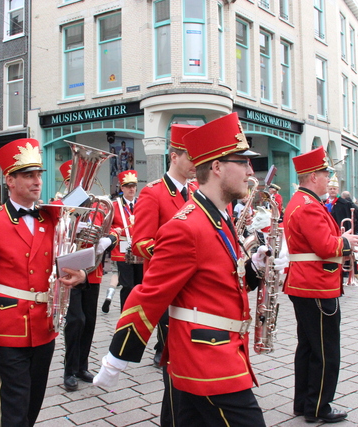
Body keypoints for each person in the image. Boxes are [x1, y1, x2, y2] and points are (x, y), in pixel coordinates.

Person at [94, 113, 266, 427]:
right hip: (209, 360)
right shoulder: (188, 225)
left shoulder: (218, 214)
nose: (250, 170)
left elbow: (222, 274)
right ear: (216, 167)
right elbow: (150, 293)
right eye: (242, 161)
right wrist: (117, 357)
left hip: (219, 352)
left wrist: (257, 265)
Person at [0, 138, 87, 426]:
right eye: (28, 175)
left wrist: (79, 274)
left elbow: (66, 259)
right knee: (15, 407)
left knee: (33, 404)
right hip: (8, 327)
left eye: (39, 175)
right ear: (10, 180)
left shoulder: (51, 218)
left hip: (44, 327)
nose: (36, 182)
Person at [282, 146, 358, 423]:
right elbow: (326, 247)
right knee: (326, 351)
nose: (329, 179)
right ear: (313, 176)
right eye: (326, 174)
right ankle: (318, 408)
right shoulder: (309, 206)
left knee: (308, 347)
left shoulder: (301, 202)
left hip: (305, 284)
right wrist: (347, 242)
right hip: (315, 285)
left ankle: (304, 403)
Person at [132, 124, 199, 370]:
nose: (196, 163)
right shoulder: (153, 193)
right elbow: (140, 243)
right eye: (191, 157)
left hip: (194, 283)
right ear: (174, 156)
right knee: (173, 354)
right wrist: (173, 252)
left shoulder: (196, 192)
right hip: (166, 280)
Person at [60, 160, 115, 392]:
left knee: (90, 322)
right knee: (76, 320)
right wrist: (72, 228)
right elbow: (56, 230)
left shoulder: (99, 206)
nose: (81, 185)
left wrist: (109, 239)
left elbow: (114, 228)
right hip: (71, 270)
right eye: (75, 181)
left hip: (93, 272)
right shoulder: (63, 205)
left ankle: (81, 366)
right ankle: (69, 370)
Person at [108, 170, 143, 310]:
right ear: (122, 188)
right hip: (122, 249)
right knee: (127, 285)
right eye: (128, 186)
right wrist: (113, 232)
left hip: (139, 248)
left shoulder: (142, 203)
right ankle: (126, 313)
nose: (131, 189)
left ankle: (138, 313)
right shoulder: (114, 205)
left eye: (133, 186)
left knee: (140, 284)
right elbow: (108, 226)